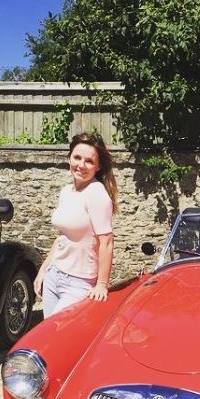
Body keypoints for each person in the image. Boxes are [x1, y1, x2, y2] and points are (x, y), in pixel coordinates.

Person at [34, 132, 118, 317]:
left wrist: (102, 285)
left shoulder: (96, 194)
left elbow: (107, 242)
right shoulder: (66, 191)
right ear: (69, 158)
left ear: (98, 166)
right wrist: (44, 270)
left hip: (78, 283)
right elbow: (63, 237)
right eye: (77, 157)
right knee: (49, 337)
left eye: (89, 161)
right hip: (54, 275)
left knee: (59, 336)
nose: (81, 165)